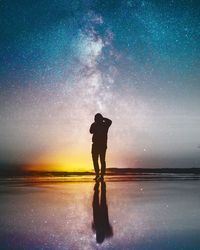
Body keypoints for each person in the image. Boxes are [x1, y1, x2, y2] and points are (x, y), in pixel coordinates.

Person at [90, 113, 112, 181]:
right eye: (95, 118)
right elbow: (91, 131)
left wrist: (102, 119)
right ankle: (97, 175)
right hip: (96, 144)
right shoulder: (95, 124)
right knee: (95, 160)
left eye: (96, 118)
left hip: (102, 145)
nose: (95, 119)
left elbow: (110, 121)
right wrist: (95, 123)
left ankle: (101, 176)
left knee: (102, 161)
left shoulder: (105, 124)